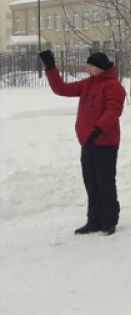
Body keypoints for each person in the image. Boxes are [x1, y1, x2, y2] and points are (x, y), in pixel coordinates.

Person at [38, 50, 126, 236]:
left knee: (105, 182)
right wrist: (50, 67)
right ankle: (93, 221)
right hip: (88, 141)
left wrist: (98, 129)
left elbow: (113, 111)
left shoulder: (113, 86)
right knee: (91, 183)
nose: (87, 68)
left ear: (100, 68)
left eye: (91, 66)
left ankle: (109, 221)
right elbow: (61, 89)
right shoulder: (88, 84)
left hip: (105, 142)